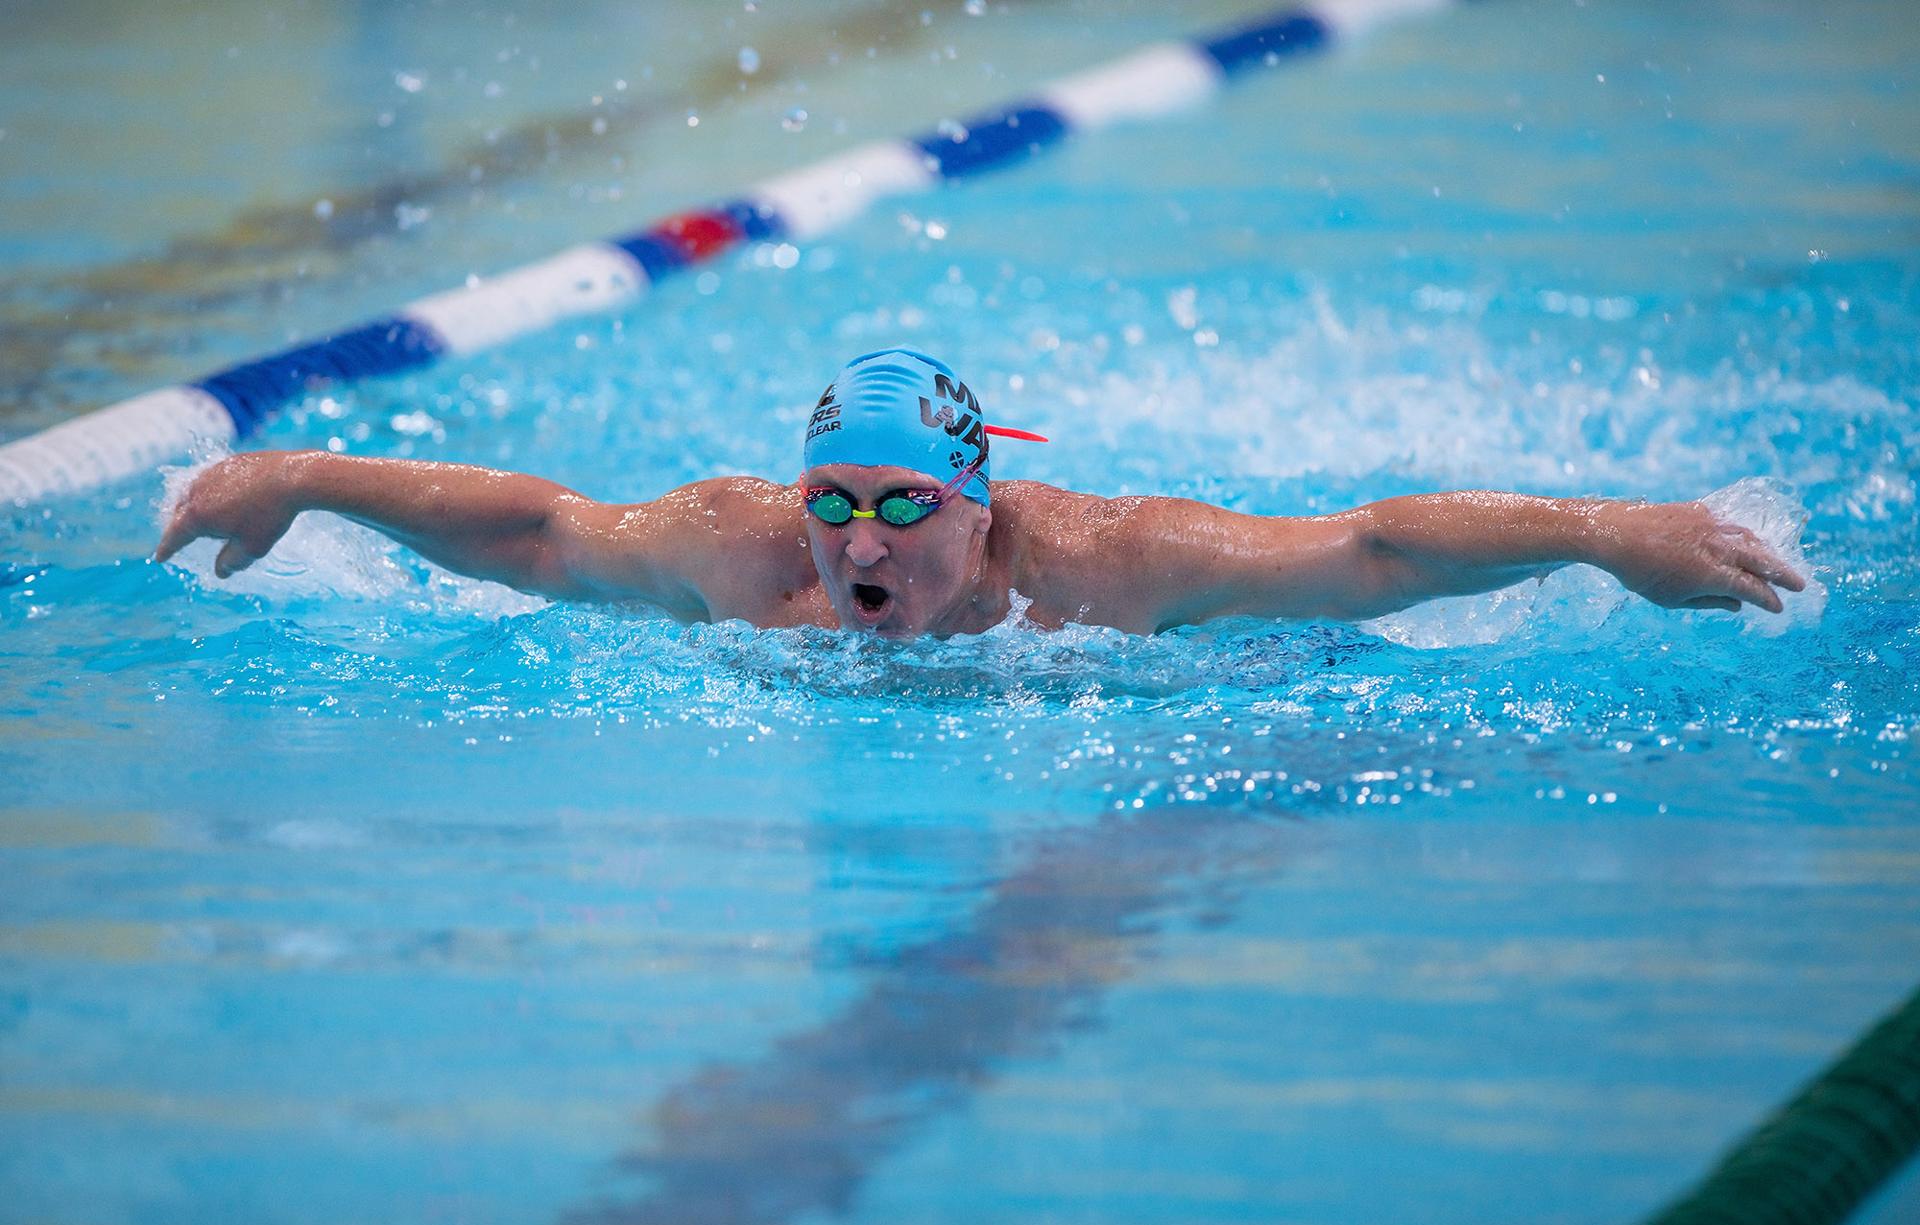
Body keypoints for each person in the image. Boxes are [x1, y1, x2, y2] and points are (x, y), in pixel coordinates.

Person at [155, 347, 1806, 637]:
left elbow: (1369, 545)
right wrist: (305, 475)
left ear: (977, 505)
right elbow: (537, 528)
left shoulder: (1116, 570)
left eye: (898, 509)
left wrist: (1609, 535)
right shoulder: (744, 551)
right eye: (835, 505)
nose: (857, 543)